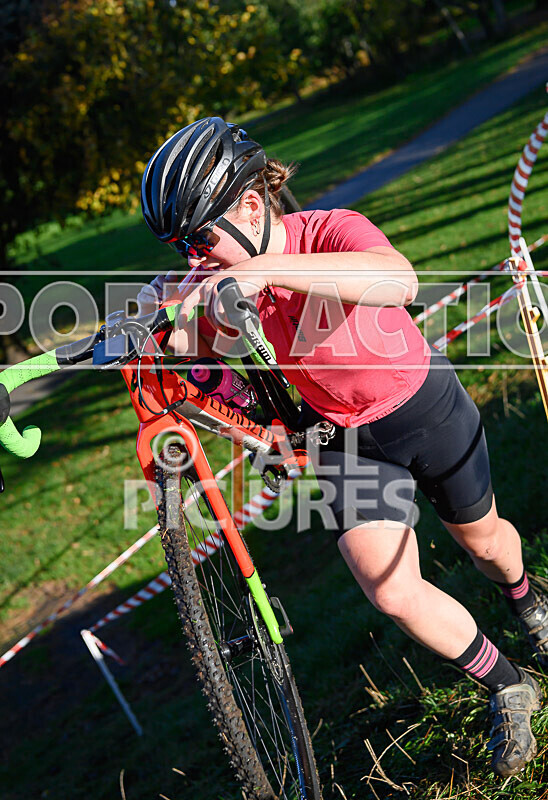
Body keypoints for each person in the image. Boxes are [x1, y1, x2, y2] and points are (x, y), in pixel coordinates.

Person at [139, 116, 547, 778]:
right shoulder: (212, 281)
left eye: (198, 238)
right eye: (179, 246)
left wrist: (267, 272)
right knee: (390, 590)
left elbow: (398, 280)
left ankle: (527, 601)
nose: (192, 257)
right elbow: (194, 362)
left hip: (423, 408)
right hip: (344, 441)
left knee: (486, 543)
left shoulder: (328, 230)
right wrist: (170, 325)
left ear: (248, 205)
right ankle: (508, 684)